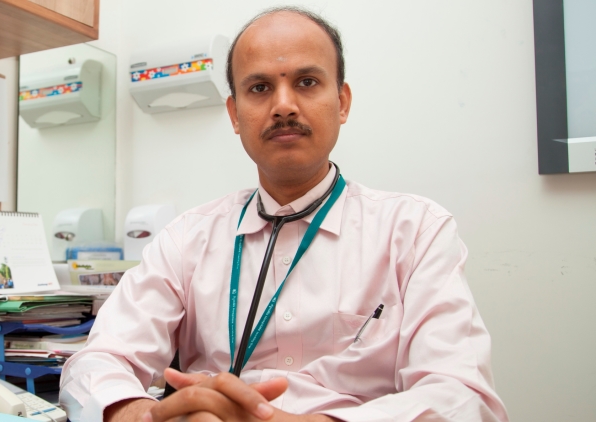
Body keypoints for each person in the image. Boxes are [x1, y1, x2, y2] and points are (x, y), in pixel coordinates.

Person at [59, 7, 508, 422]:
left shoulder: (415, 232)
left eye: (307, 82)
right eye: (259, 88)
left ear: (342, 102)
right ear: (235, 114)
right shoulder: (186, 239)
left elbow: (464, 396)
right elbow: (96, 363)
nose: (284, 105)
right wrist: (144, 415)